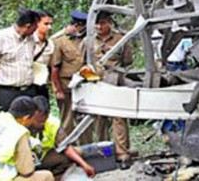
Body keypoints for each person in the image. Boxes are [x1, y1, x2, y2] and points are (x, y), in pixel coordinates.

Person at [90, 12, 133, 169]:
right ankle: (103, 153)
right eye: (97, 24)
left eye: (102, 23)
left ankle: (123, 154)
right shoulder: (89, 40)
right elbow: (85, 61)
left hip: (115, 83)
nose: (99, 27)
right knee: (99, 120)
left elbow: (128, 60)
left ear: (109, 23)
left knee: (118, 118)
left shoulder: (120, 39)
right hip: (96, 84)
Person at [0, 96, 54, 181]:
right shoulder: (19, 132)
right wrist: (28, 160)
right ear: (26, 118)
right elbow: (27, 171)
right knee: (47, 176)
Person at [0, 9, 40, 112]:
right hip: (6, 92)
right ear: (28, 26)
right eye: (35, 27)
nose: (35, 30)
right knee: (6, 124)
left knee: (28, 125)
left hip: (28, 90)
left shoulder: (31, 39)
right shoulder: (0, 39)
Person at [51, 10, 92, 143]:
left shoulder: (87, 40)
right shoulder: (60, 41)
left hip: (84, 84)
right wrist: (57, 90)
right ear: (75, 25)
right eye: (80, 26)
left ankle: (86, 146)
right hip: (66, 84)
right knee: (67, 118)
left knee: (85, 117)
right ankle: (68, 146)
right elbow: (55, 68)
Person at [30, 96, 96, 178]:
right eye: (39, 121)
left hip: (44, 156)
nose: (42, 124)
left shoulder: (52, 123)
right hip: (27, 159)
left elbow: (66, 147)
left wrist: (84, 165)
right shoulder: (22, 124)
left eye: (44, 121)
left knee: (74, 154)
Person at [33, 11, 55, 101]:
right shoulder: (28, 41)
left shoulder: (50, 44)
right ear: (37, 23)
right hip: (27, 85)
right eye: (46, 24)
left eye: (50, 24)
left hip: (42, 85)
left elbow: (51, 65)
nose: (49, 27)